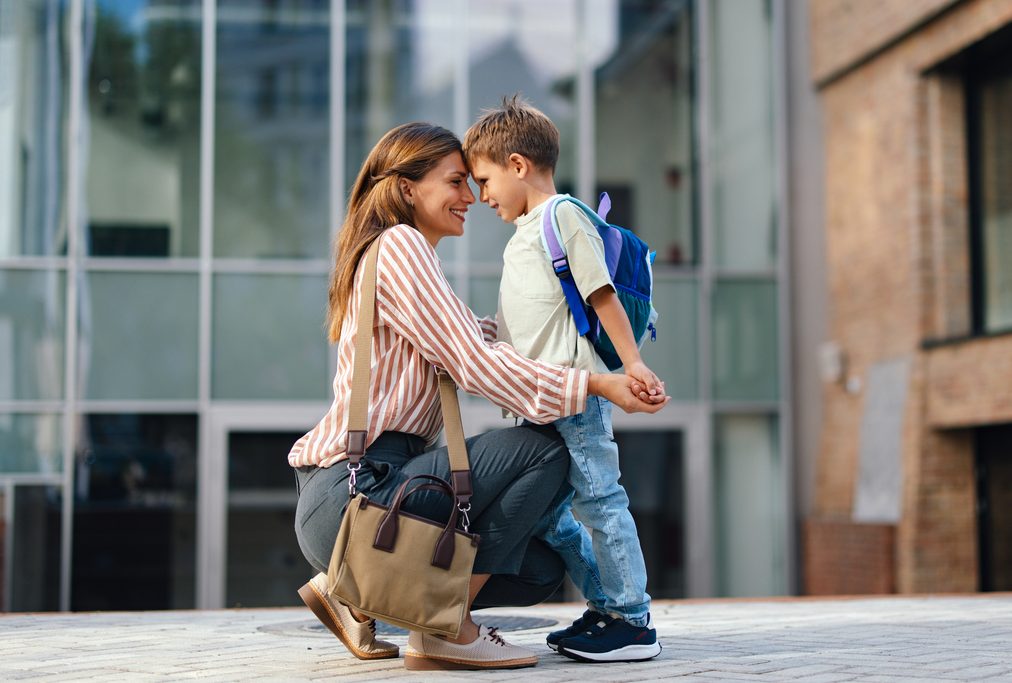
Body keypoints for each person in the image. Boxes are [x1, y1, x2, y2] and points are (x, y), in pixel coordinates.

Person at [288, 121, 669, 672]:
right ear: (408, 188)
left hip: (375, 491)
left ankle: (352, 593)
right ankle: (446, 626)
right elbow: (473, 362)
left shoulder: (401, 254)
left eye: (474, 181)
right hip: (359, 488)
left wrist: (532, 334)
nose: (471, 196)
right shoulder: (400, 244)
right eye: (456, 182)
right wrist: (590, 382)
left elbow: (473, 339)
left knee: (536, 566)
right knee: (549, 449)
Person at [463, 95, 663, 663]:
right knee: (551, 517)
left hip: (577, 396)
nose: (482, 196)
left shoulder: (562, 216)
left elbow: (600, 294)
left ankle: (632, 619)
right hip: (541, 403)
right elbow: (528, 324)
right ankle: (606, 605)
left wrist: (632, 365)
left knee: (601, 499)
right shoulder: (524, 233)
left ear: (519, 165)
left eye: (485, 180)